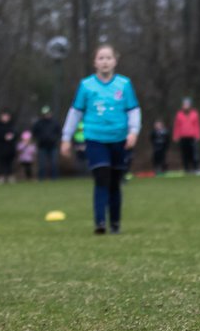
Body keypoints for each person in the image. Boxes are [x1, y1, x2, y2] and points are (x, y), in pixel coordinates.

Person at [60, 44, 141, 234]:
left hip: (119, 139)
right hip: (95, 139)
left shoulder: (124, 84)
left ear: (115, 61)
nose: (105, 62)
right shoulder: (86, 86)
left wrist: (133, 131)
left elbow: (133, 110)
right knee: (101, 176)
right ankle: (100, 222)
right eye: (101, 58)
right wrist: (66, 137)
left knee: (114, 181)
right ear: (95, 62)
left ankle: (115, 222)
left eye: (108, 58)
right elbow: (75, 112)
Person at [172, 96, 200, 174]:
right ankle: (186, 169)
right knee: (185, 154)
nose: (186, 105)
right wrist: (176, 135)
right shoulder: (179, 114)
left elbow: (197, 125)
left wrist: (198, 135)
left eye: (187, 104)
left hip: (192, 137)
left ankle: (196, 169)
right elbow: (177, 126)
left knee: (194, 153)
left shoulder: (195, 113)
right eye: (184, 104)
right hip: (183, 137)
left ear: (190, 105)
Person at [31, 106, 61, 181]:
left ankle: (54, 179)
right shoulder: (38, 123)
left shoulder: (55, 122)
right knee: (42, 164)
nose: (47, 115)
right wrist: (39, 139)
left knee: (54, 163)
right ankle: (41, 179)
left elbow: (59, 133)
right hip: (42, 146)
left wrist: (55, 139)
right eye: (45, 113)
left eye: (48, 113)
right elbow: (34, 133)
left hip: (53, 145)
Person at [0, 110, 16, 183]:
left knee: (10, 163)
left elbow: (15, 133)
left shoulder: (12, 125)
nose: (5, 118)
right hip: (1, 148)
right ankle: (1, 177)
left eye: (7, 116)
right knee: (1, 163)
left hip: (10, 148)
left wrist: (11, 136)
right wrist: (4, 137)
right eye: (4, 116)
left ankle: (10, 177)